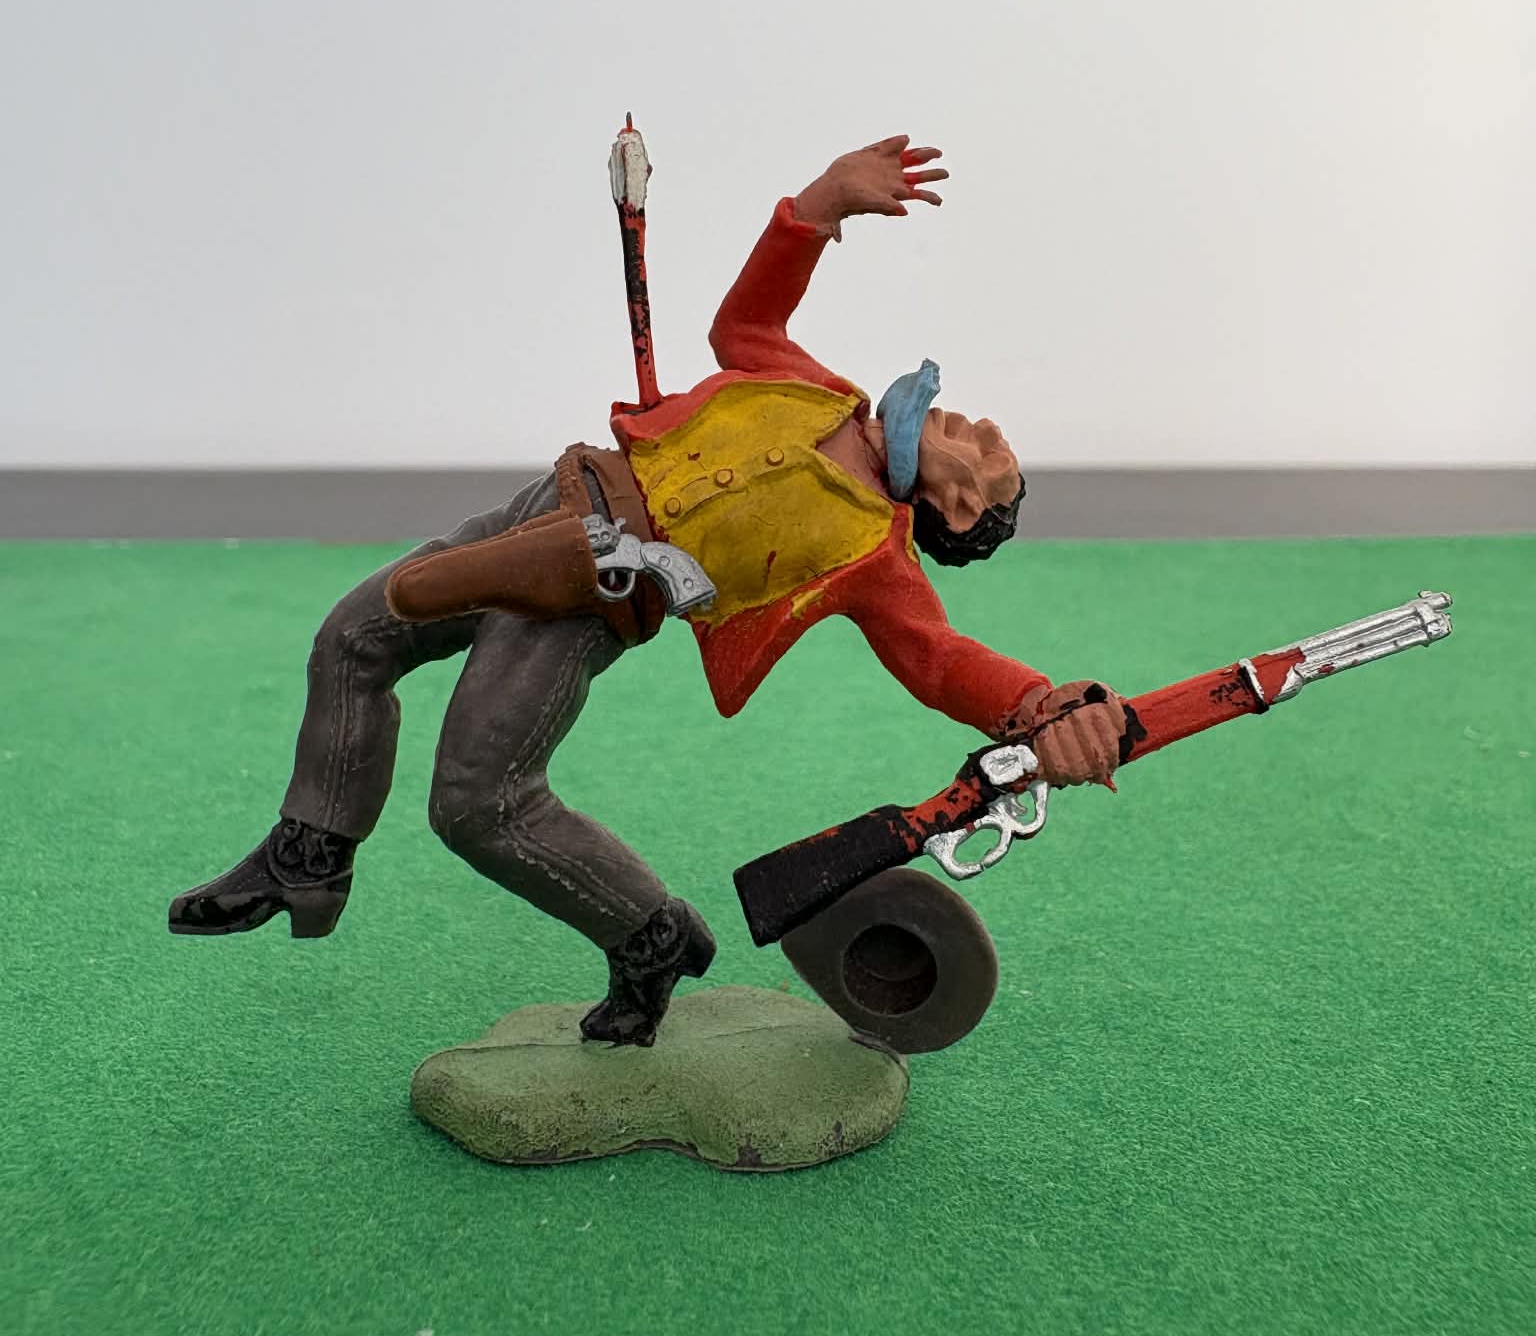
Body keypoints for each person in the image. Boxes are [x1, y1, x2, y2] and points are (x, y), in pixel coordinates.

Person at [169, 136, 1128, 1044]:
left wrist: (1040, 707)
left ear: (957, 508)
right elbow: (743, 325)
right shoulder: (822, 391)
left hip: (591, 587)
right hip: (555, 498)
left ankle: (649, 934)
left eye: (988, 453)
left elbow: (938, 656)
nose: (978, 424)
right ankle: (310, 855)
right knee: (354, 637)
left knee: (478, 802)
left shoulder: (876, 558)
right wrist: (820, 206)